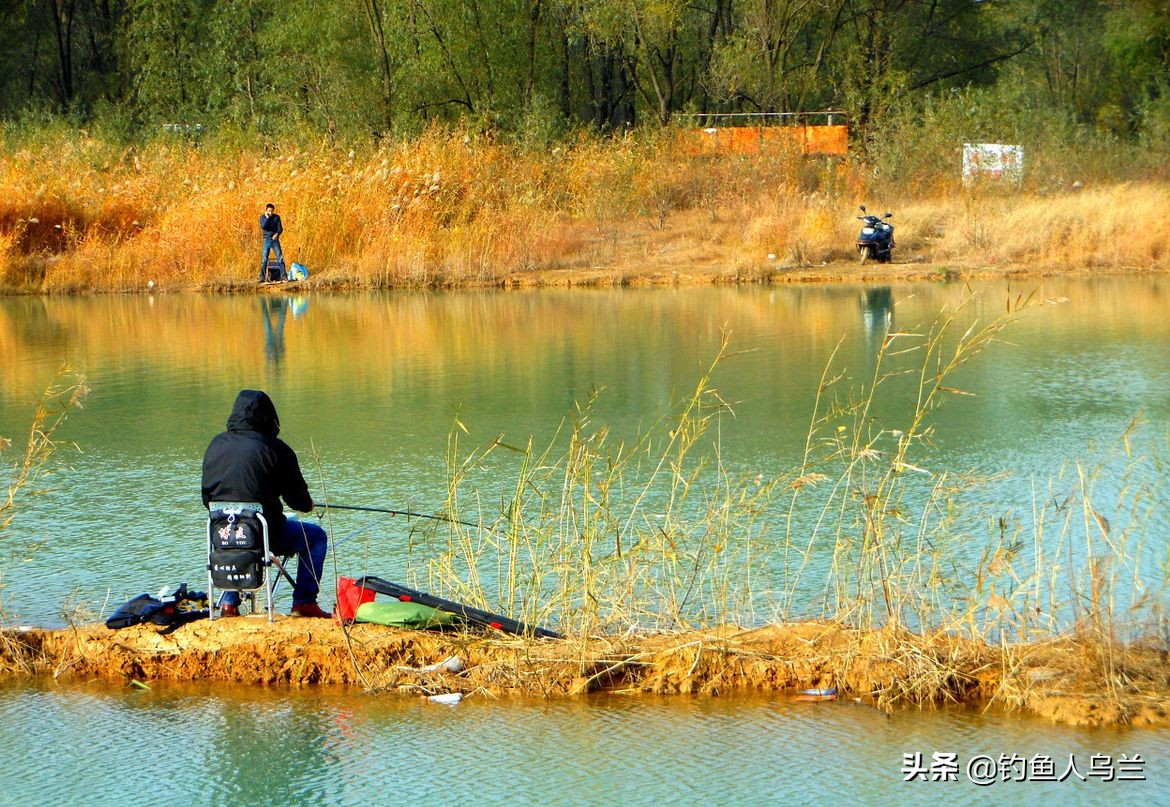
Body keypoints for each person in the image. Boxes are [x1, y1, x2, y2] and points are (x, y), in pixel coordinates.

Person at [201, 389, 331, 618]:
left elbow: (206, 498)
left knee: (239, 534)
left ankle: (229, 603)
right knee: (316, 537)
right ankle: (304, 602)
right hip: (265, 534)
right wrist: (308, 505)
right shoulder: (276, 449)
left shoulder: (215, 444)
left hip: (221, 534)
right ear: (270, 417)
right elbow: (298, 501)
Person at [259, 203, 284, 281]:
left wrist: (277, 234)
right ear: (266, 211)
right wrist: (267, 217)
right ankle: (262, 278)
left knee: (280, 258)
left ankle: (284, 276)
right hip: (266, 239)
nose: (270, 212)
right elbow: (263, 226)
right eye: (269, 211)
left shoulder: (276, 217)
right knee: (264, 259)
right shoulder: (263, 217)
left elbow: (280, 229)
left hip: (275, 240)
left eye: (272, 211)